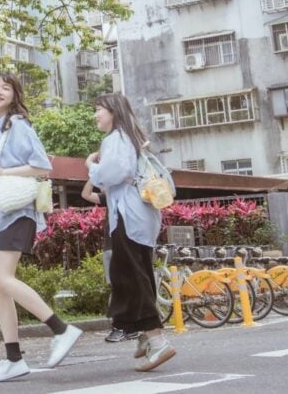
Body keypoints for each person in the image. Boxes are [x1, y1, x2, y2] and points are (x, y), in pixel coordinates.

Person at [0, 73, 82, 382]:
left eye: (6, 87)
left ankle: (61, 329)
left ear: (15, 94)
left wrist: (5, 171)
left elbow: (43, 166)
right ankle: (13, 358)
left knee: (2, 278)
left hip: (16, 211)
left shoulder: (18, 126)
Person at [86, 93, 175, 372]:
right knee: (138, 274)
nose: (96, 115)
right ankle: (144, 336)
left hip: (128, 216)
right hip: (141, 217)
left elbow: (109, 176)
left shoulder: (116, 138)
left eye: (99, 109)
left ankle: (157, 340)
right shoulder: (132, 137)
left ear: (113, 111)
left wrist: (91, 166)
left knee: (131, 277)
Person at [81, 178, 137, 344]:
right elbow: (86, 194)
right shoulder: (108, 198)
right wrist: (93, 177)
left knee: (128, 287)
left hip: (128, 246)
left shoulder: (128, 196)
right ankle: (120, 326)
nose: (102, 186)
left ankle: (126, 327)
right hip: (112, 247)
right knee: (117, 287)